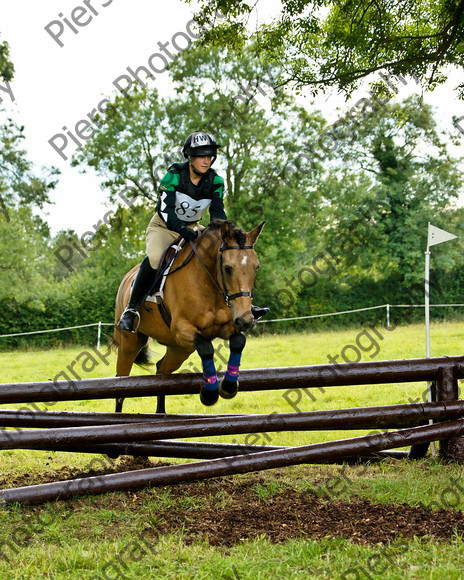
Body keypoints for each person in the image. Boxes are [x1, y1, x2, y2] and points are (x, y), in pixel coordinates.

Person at [117, 131, 269, 332]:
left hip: (194, 227)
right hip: (164, 226)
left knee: (222, 256)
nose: (206, 161)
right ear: (190, 157)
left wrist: (228, 234)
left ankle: (244, 304)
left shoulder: (216, 181)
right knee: (154, 258)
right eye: (201, 156)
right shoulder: (173, 176)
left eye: (209, 156)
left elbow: (217, 215)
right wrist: (181, 229)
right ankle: (131, 309)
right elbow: (165, 210)